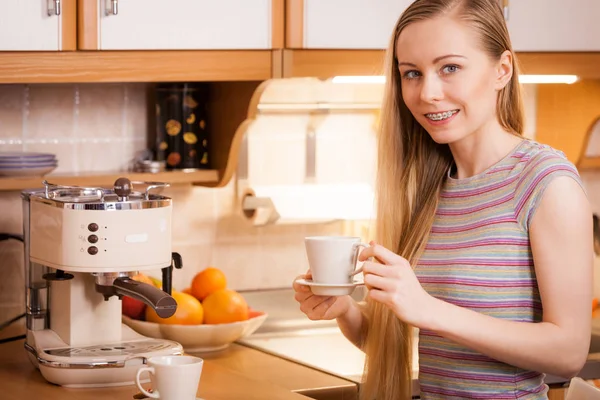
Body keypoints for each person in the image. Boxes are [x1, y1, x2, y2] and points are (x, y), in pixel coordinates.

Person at [292, 0, 593, 399]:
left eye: (449, 68)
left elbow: (569, 351)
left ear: (502, 69)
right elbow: (401, 345)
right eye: (412, 74)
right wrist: (345, 310)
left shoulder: (544, 182)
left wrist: (429, 310)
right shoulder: (426, 186)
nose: (428, 93)